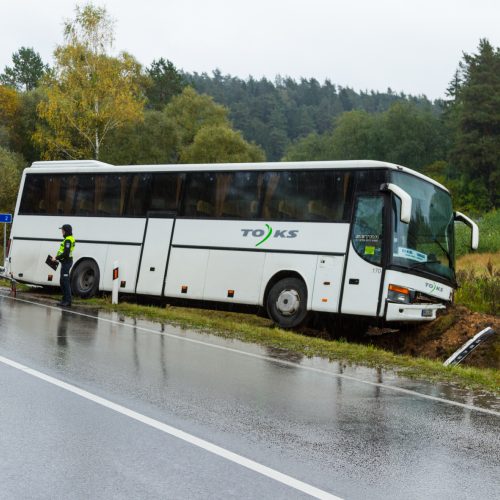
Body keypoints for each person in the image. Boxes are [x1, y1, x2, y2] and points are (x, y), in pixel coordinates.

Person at [52, 224, 76, 307]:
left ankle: (68, 301)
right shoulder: (68, 239)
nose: (62, 232)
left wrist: (56, 258)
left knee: (65, 282)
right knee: (62, 281)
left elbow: (66, 253)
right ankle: (64, 300)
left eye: (62, 230)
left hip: (66, 262)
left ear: (66, 231)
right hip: (65, 262)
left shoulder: (68, 240)